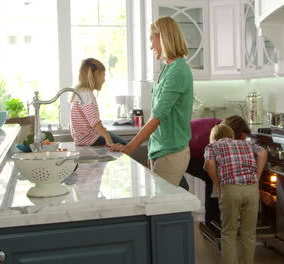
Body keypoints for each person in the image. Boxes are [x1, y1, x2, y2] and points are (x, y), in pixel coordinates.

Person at [110, 16, 193, 186]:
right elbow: (158, 118)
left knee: (162, 209)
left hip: (171, 153)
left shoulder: (178, 71)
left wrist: (129, 148)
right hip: (160, 151)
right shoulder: (167, 70)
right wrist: (151, 153)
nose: (151, 46)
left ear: (163, 38)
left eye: (152, 39)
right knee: (160, 206)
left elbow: (156, 117)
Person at [204, 124, 267, 264]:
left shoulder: (212, 146)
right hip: (251, 189)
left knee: (229, 232)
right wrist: (257, 177)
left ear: (213, 137)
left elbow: (208, 164)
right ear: (232, 135)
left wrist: (218, 186)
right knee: (249, 233)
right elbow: (262, 152)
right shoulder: (246, 143)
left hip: (231, 189)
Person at [70, 58, 128, 146]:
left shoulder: (79, 92)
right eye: (103, 75)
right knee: (124, 145)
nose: (104, 80)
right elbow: (94, 121)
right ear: (96, 75)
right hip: (91, 139)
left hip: (83, 140)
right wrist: (107, 137)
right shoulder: (86, 94)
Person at [181, 117, 222, 225]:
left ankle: (212, 221)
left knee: (213, 180)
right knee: (213, 180)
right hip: (180, 151)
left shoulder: (216, 124)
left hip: (176, 147)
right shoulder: (219, 135)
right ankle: (213, 222)